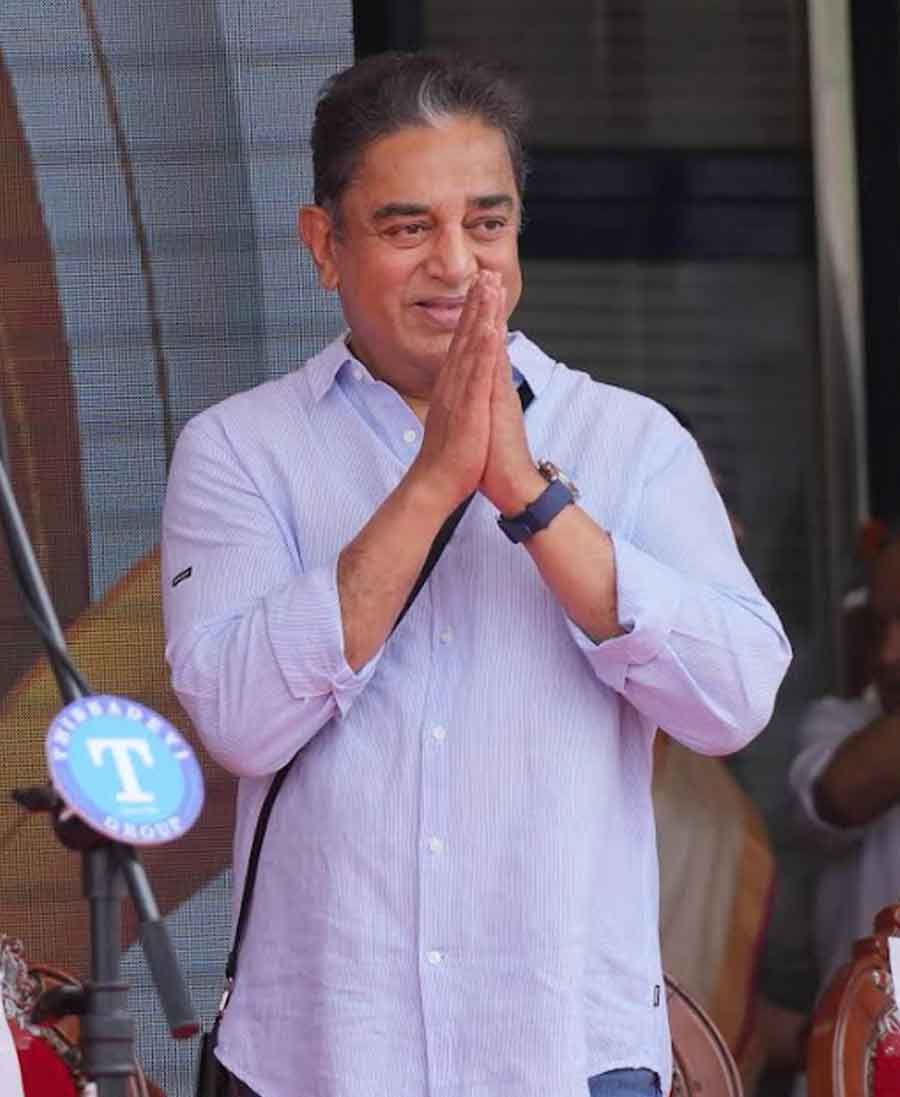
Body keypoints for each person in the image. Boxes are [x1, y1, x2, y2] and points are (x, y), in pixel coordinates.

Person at [161, 52, 792, 1097]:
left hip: (566, 1053)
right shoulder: (240, 450)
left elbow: (733, 700)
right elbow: (239, 718)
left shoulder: (632, 440)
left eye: (486, 223)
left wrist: (530, 497)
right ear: (325, 245)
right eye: (409, 228)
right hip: (322, 1059)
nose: (456, 265)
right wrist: (432, 481)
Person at [790, 531, 900, 994]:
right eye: (877, 627)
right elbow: (840, 797)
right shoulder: (837, 724)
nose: (888, 655)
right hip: (863, 1038)